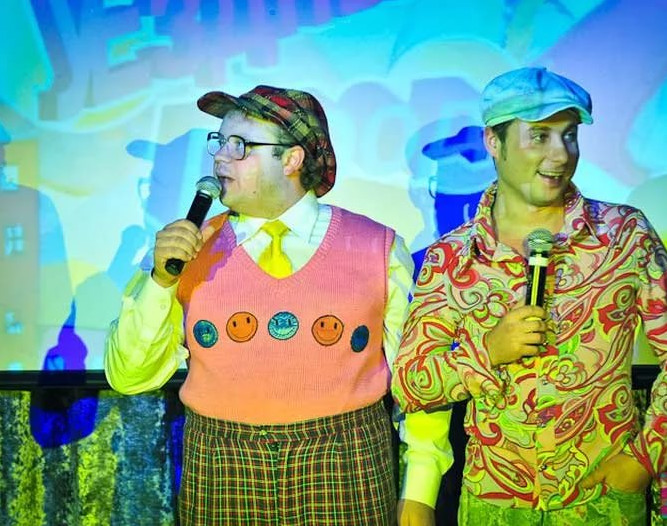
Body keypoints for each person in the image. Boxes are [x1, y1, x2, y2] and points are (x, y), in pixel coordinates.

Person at [104, 85, 452, 525]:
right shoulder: (187, 249)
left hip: (344, 460)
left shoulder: (376, 247)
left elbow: (418, 378)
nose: (220, 157)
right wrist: (161, 281)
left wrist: (420, 489)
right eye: (219, 142)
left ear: (291, 159)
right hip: (222, 464)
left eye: (239, 145)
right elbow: (129, 376)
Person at [391, 66, 667, 525]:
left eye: (569, 135)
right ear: (493, 142)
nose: (560, 154)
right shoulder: (451, 257)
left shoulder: (624, 235)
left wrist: (642, 459)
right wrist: (487, 351)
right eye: (539, 136)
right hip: (494, 503)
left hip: (603, 499)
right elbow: (410, 382)